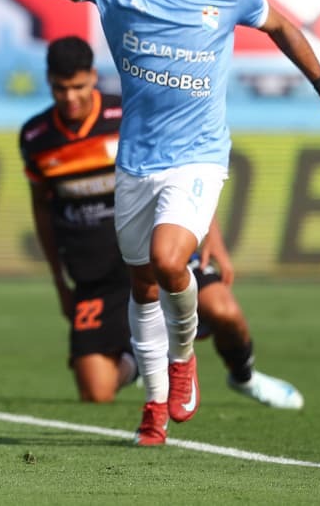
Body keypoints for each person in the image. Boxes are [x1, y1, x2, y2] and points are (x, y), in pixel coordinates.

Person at [0, 0, 320, 446]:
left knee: (166, 262)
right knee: (142, 285)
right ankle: (155, 409)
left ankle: (184, 359)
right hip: (137, 163)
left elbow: (282, 25)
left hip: (199, 158)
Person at [21, 36, 303, 409]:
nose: (70, 97)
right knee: (95, 391)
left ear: (93, 77)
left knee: (225, 311)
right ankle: (142, 358)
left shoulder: (127, 117)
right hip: (97, 276)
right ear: (49, 82)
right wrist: (60, 283)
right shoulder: (36, 136)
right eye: (60, 88)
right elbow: (42, 210)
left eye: (78, 86)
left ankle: (245, 377)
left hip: (157, 253)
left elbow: (181, 173)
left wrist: (210, 236)